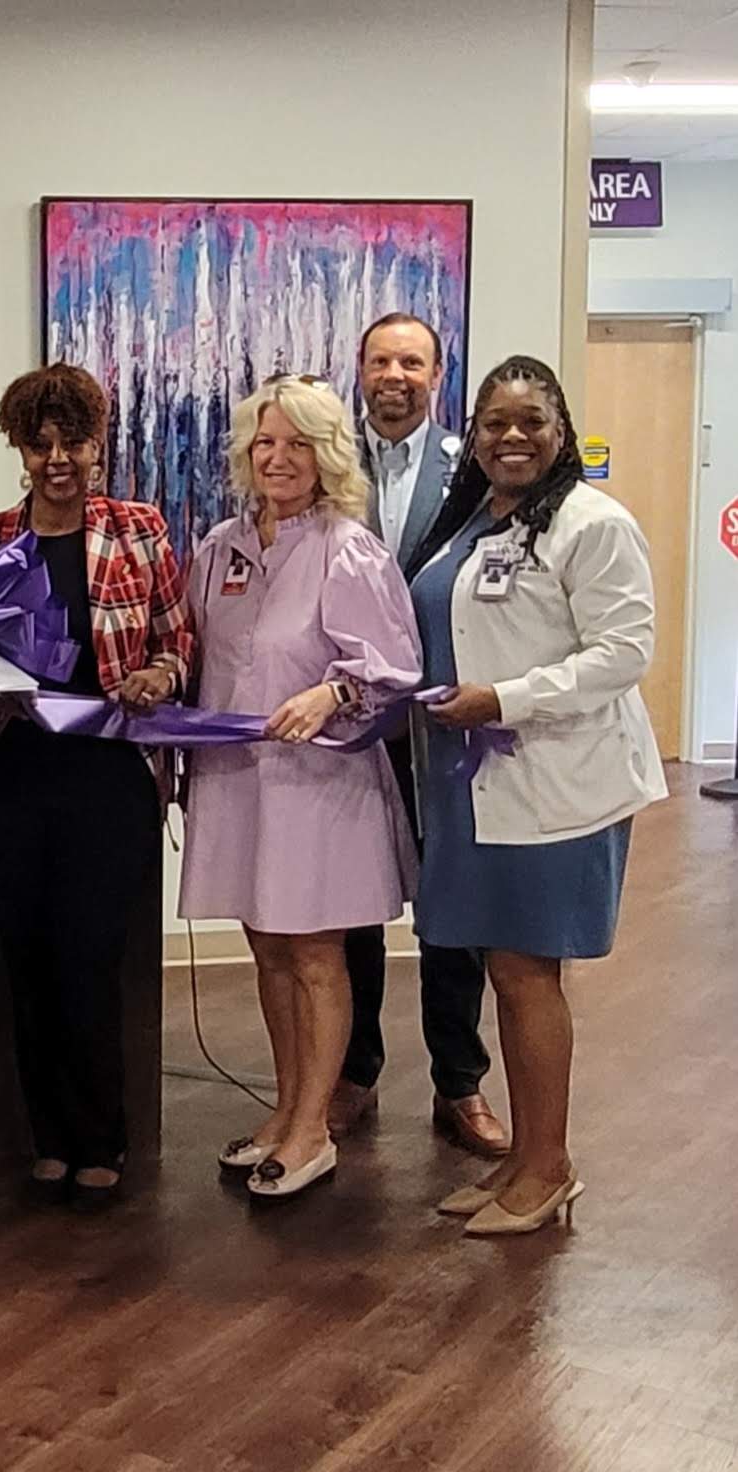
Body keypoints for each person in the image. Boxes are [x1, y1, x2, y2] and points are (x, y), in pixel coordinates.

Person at [403, 355, 666, 1234]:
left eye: (530, 422)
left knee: (526, 973)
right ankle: (522, 1157)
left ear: (560, 433)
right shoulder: (475, 519)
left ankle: (548, 1166)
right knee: (501, 970)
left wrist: (504, 699)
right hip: (471, 784)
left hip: (555, 784)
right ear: (473, 436)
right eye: (494, 423)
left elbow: (622, 653)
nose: (511, 436)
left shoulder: (592, 523)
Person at [182, 374, 424, 1200]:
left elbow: (393, 667)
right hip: (238, 779)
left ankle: (313, 1129)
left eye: (297, 444)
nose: (277, 458)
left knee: (316, 953)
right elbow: (196, 653)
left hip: (320, 784)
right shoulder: (218, 548)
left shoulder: (347, 548)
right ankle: (285, 1111)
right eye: (264, 442)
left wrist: (330, 692)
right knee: (267, 946)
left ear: (326, 457)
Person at [0, 365, 193, 1205]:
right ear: (18, 449)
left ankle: (101, 1138)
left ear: (99, 443)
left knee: (90, 961)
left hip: (109, 773)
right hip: (14, 772)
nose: (57, 459)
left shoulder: (138, 531)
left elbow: (177, 642)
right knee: (23, 962)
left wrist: (158, 678)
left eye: (74, 442)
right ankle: (48, 1138)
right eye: (40, 444)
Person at [333, 313, 506, 1157]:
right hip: (351, 722)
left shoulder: (470, 466)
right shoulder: (328, 463)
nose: (393, 375)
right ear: (358, 370)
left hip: (443, 720)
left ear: (437, 375)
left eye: (410, 362)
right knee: (348, 903)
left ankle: (458, 1083)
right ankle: (350, 1073)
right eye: (379, 361)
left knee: (452, 905)